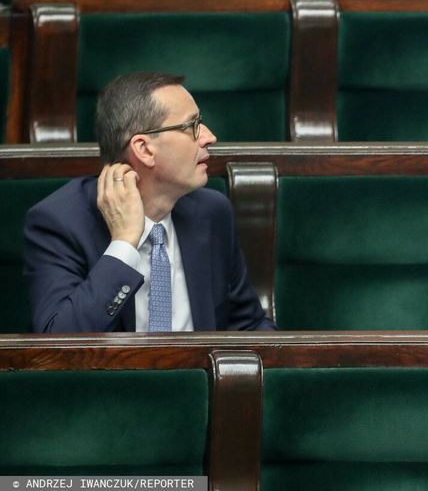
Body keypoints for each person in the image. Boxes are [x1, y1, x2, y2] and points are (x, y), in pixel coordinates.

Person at [24, 71, 275, 333]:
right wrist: (123, 245)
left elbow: (247, 325)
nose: (209, 137)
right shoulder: (60, 221)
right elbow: (57, 341)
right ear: (144, 149)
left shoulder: (212, 213)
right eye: (191, 126)